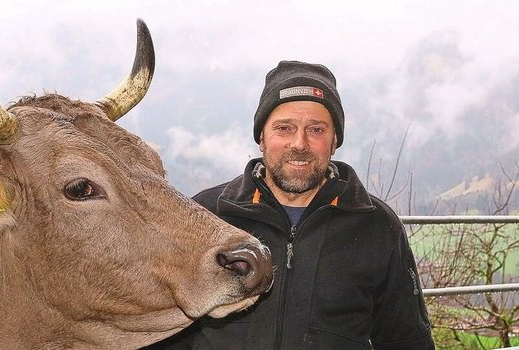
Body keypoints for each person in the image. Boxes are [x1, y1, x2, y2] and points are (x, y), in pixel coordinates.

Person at [148, 61, 435, 349]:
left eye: (316, 130)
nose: (299, 143)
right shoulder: (207, 214)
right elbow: (164, 333)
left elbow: (407, 341)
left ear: (334, 141)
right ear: (262, 137)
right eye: (284, 128)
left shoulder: (376, 226)